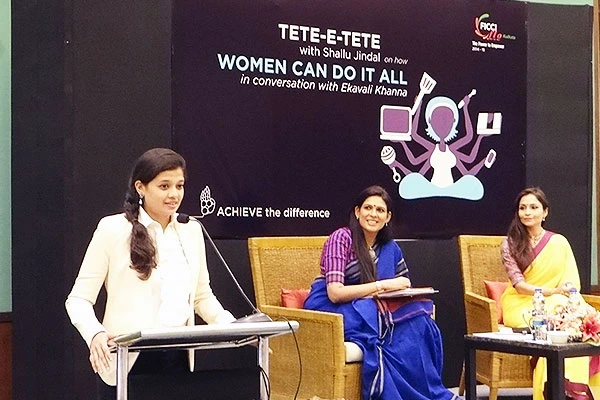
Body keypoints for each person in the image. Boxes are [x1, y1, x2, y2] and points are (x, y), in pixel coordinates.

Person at [65, 148, 235, 399]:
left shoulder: (191, 229)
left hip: (178, 358)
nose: (174, 194)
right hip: (128, 361)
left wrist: (233, 327)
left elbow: (202, 297)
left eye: (179, 186)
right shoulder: (113, 229)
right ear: (140, 187)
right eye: (164, 186)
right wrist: (95, 333)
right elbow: (78, 299)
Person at [303, 185, 458, 400]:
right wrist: (381, 286)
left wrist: (396, 287)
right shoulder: (341, 239)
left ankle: (426, 392)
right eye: (368, 208)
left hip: (372, 305)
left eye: (380, 210)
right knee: (381, 318)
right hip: (333, 308)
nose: (373, 214)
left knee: (420, 321)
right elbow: (335, 293)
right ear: (357, 212)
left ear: (388, 217)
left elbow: (403, 284)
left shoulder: (389, 247)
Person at [500, 187, 600, 399]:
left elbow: (571, 282)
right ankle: (555, 390)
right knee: (560, 310)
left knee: (585, 320)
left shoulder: (559, 242)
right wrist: (552, 292)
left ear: (545, 212)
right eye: (522, 208)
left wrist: (565, 292)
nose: (527, 212)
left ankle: (576, 389)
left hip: (557, 302)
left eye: (533, 207)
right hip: (521, 304)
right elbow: (519, 285)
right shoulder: (510, 243)